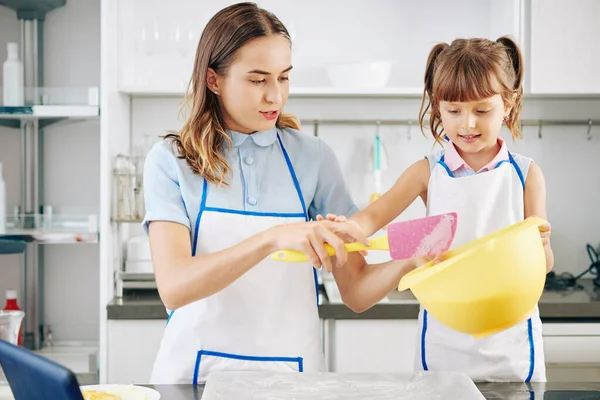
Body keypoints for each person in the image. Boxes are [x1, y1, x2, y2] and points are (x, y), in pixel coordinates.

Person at [142, 2, 423, 384]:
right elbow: (173, 288)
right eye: (258, 80)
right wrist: (272, 238)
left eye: (284, 78)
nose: (275, 96)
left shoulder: (314, 158)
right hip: (194, 380)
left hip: (294, 379)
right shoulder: (173, 161)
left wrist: (412, 261)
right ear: (214, 80)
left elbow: (356, 292)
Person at [322, 37, 554, 382]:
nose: (468, 124)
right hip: (445, 347)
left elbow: (544, 266)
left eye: (482, 110)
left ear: (508, 103)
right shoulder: (427, 172)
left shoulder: (526, 175)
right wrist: (345, 228)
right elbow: (372, 218)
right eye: (454, 111)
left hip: (512, 350)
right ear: (437, 108)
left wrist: (544, 248)